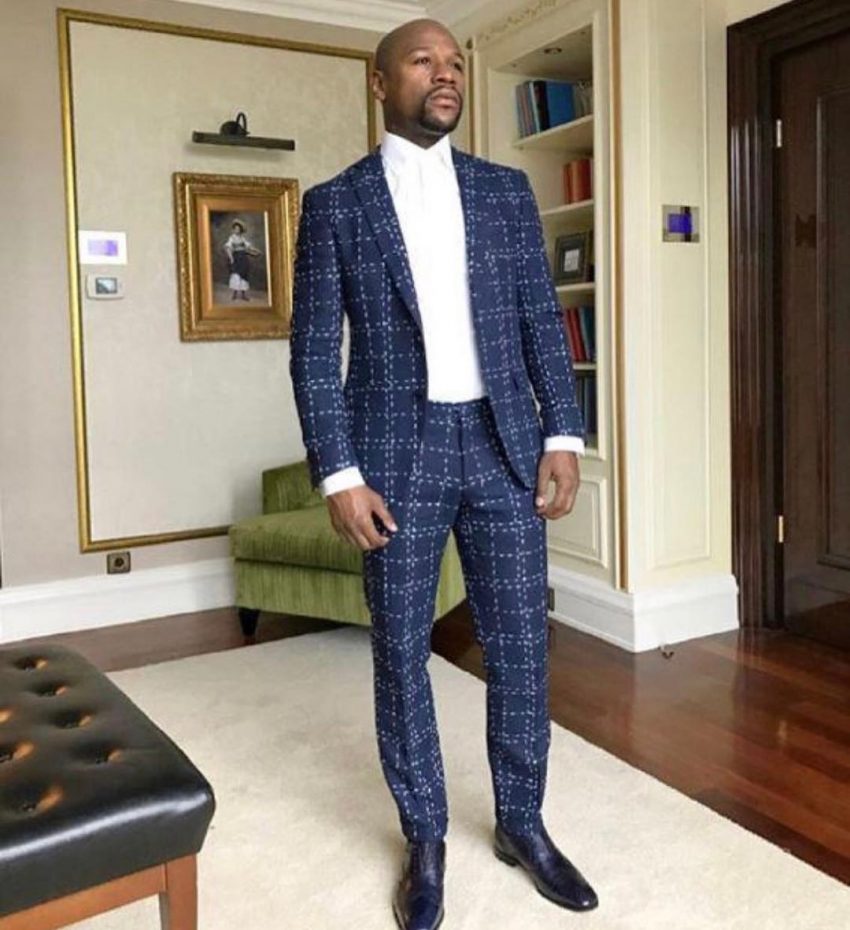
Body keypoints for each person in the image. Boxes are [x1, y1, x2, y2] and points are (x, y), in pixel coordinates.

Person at [289, 17, 599, 930]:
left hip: (504, 446)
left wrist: (563, 436)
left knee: (522, 647)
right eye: (423, 61)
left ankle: (522, 823)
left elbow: (541, 322)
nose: (445, 73)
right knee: (400, 651)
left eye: (455, 62)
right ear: (381, 81)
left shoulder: (506, 192)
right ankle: (424, 838)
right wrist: (339, 474)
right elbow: (314, 353)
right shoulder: (337, 204)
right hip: (395, 454)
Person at [223, 219, 262, 300]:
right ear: (233, 229)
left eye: (238, 229)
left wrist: (256, 251)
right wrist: (231, 258)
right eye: (235, 229)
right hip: (236, 258)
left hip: (243, 258)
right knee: (236, 275)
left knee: (244, 275)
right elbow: (228, 248)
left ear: (240, 230)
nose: (237, 230)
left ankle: (243, 294)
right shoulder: (232, 238)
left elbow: (249, 247)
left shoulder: (242, 238)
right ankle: (235, 293)